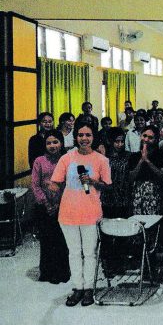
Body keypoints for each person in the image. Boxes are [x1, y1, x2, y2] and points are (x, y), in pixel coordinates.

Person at [50, 121, 112, 306]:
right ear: (76, 137)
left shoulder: (101, 160)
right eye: (80, 135)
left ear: (93, 137)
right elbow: (56, 182)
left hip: (91, 212)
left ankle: (89, 288)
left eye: (88, 135)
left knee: (90, 253)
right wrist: (50, 187)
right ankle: (77, 287)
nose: (84, 138)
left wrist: (92, 181)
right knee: (74, 252)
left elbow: (107, 186)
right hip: (68, 212)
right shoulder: (66, 158)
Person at [31, 129, 70, 284]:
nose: (52, 145)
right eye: (48, 143)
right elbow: (35, 185)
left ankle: (62, 272)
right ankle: (47, 272)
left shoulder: (66, 160)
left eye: (55, 142)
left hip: (64, 206)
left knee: (62, 240)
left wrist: (59, 204)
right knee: (47, 240)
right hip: (44, 208)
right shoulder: (39, 161)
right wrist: (47, 204)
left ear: (61, 143)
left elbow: (69, 184)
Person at [127, 126, 163, 216]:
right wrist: (141, 160)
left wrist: (147, 160)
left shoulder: (160, 155)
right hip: (137, 195)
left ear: (156, 140)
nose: (146, 139)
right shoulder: (134, 156)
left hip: (155, 194)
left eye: (150, 137)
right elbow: (131, 178)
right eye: (144, 136)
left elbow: (162, 176)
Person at [100, 127, 131, 219]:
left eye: (122, 141)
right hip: (107, 199)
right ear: (110, 141)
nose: (120, 144)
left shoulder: (128, 156)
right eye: (117, 141)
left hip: (124, 199)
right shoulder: (104, 156)